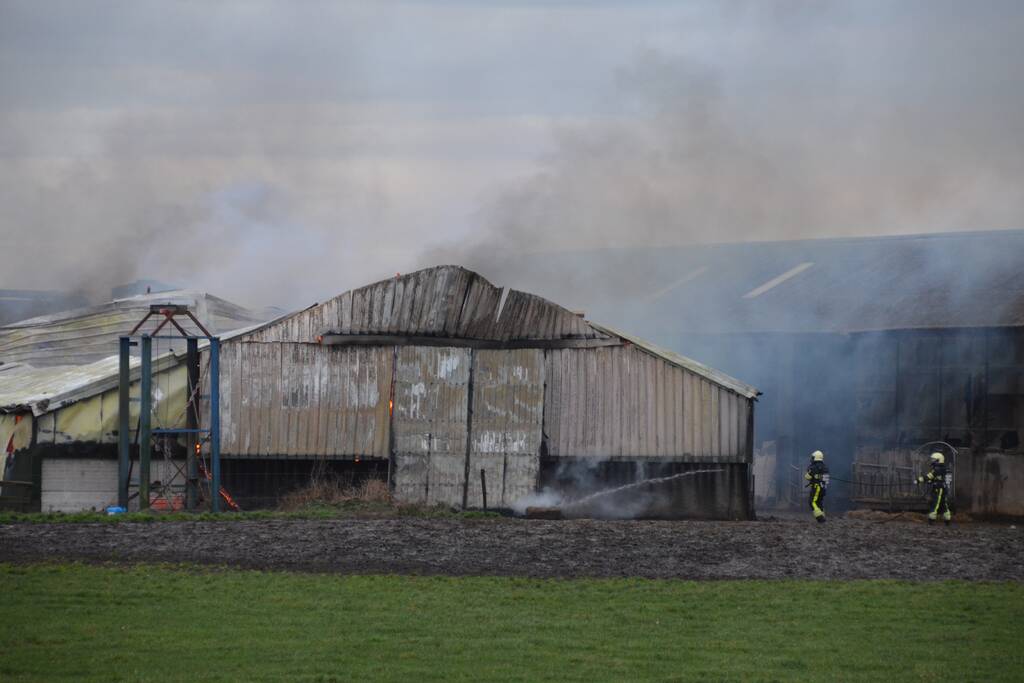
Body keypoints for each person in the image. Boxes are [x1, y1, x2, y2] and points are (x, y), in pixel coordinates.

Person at [916, 452, 952, 525]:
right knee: (943, 504)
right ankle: (947, 519)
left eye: (933, 459)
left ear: (938, 460)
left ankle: (931, 519)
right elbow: (936, 478)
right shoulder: (941, 468)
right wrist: (931, 481)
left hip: (939, 489)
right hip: (941, 487)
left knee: (935, 503)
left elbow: (929, 476)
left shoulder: (937, 469)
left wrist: (919, 480)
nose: (932, 461)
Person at [804, 450, 829, 523]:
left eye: (812, 457)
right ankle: (822, 517)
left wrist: (810, 473)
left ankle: (820, 518)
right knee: (819, 503)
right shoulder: (825, 467)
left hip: (816, 487)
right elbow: (826, 479)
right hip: (823, 488)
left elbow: (807, 477)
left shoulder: (813, 467)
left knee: (812, 502)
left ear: (815, 458)